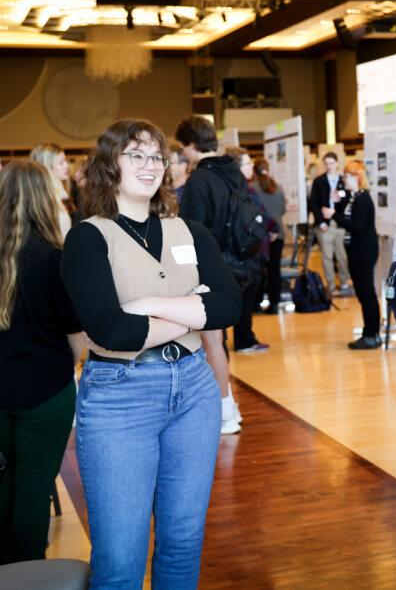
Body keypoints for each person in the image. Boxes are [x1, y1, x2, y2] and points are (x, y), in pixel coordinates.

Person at [61, 119, 241, 587]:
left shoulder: (191, 232)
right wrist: (191, 312)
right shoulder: (88, 237)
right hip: (120, 395)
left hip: (195, 389)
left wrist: (150, 308)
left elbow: (228, 305)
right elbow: (110, 329)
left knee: (183, 540)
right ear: (109, 165)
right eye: (135, 155)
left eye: (157, 156)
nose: (149, 165)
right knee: (121, 554)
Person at [0, 160, 86, 565]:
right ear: (44, 201)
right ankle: (29, 572)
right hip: (43, 394)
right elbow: (77, 338)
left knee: (15, 474)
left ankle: (6, 567)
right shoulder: (52, 258)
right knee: (33, 486)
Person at [176, 115, 269, 354]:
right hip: (240, 255)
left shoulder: (198, 179)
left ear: (192, 145)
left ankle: (218, 390)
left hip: (210, 260)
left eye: (184, 146)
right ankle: (224, 389)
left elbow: (190, 228)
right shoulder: (233, 172)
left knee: (211, 338)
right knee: (218, 336)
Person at [322, 161, 380, 349]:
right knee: (364, 293)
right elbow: (349, 220)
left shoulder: (362, 198)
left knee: (366, 293)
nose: (343, 178)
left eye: (346, 175)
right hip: (358, 250)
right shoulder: (356, 197)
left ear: (356, 178)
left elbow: (356, 226)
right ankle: (370, 333)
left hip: (363, 250)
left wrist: (333, 215)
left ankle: (371, 335)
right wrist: (338, 208)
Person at [309, 151, 351, 296]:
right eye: (326, 164)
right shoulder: (318, 181)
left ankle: (344, 282)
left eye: (331, 163)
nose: (329, 166)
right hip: (325, 224)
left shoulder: (342, 181)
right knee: (327, 255)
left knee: (342, 255)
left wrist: (339, 199)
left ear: (337, 164)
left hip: (339, 222)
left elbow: (347, 201)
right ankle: (331, 284)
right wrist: (320, 222)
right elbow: (313, 204)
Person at [251, 157, 287, 314]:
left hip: (260, 235)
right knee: (274, 270)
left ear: (254, 171)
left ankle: (256, 303)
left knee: (258, 271)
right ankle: (275, 304)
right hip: (278, 234)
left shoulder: (252, 188)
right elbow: (283, 210)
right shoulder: (278, 187)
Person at [29, 143, 74, 238]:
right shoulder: (45, 199)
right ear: (46, 166)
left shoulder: (60, 194)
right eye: (61, 162)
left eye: (65, 161)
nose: (67, 166)